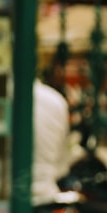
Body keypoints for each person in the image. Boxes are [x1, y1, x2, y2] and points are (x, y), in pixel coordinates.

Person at [30, 77, 72, 206]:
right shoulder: (56, 100)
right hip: (46, 197)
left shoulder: (0, 96)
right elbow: (62, 163)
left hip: (4, 202)